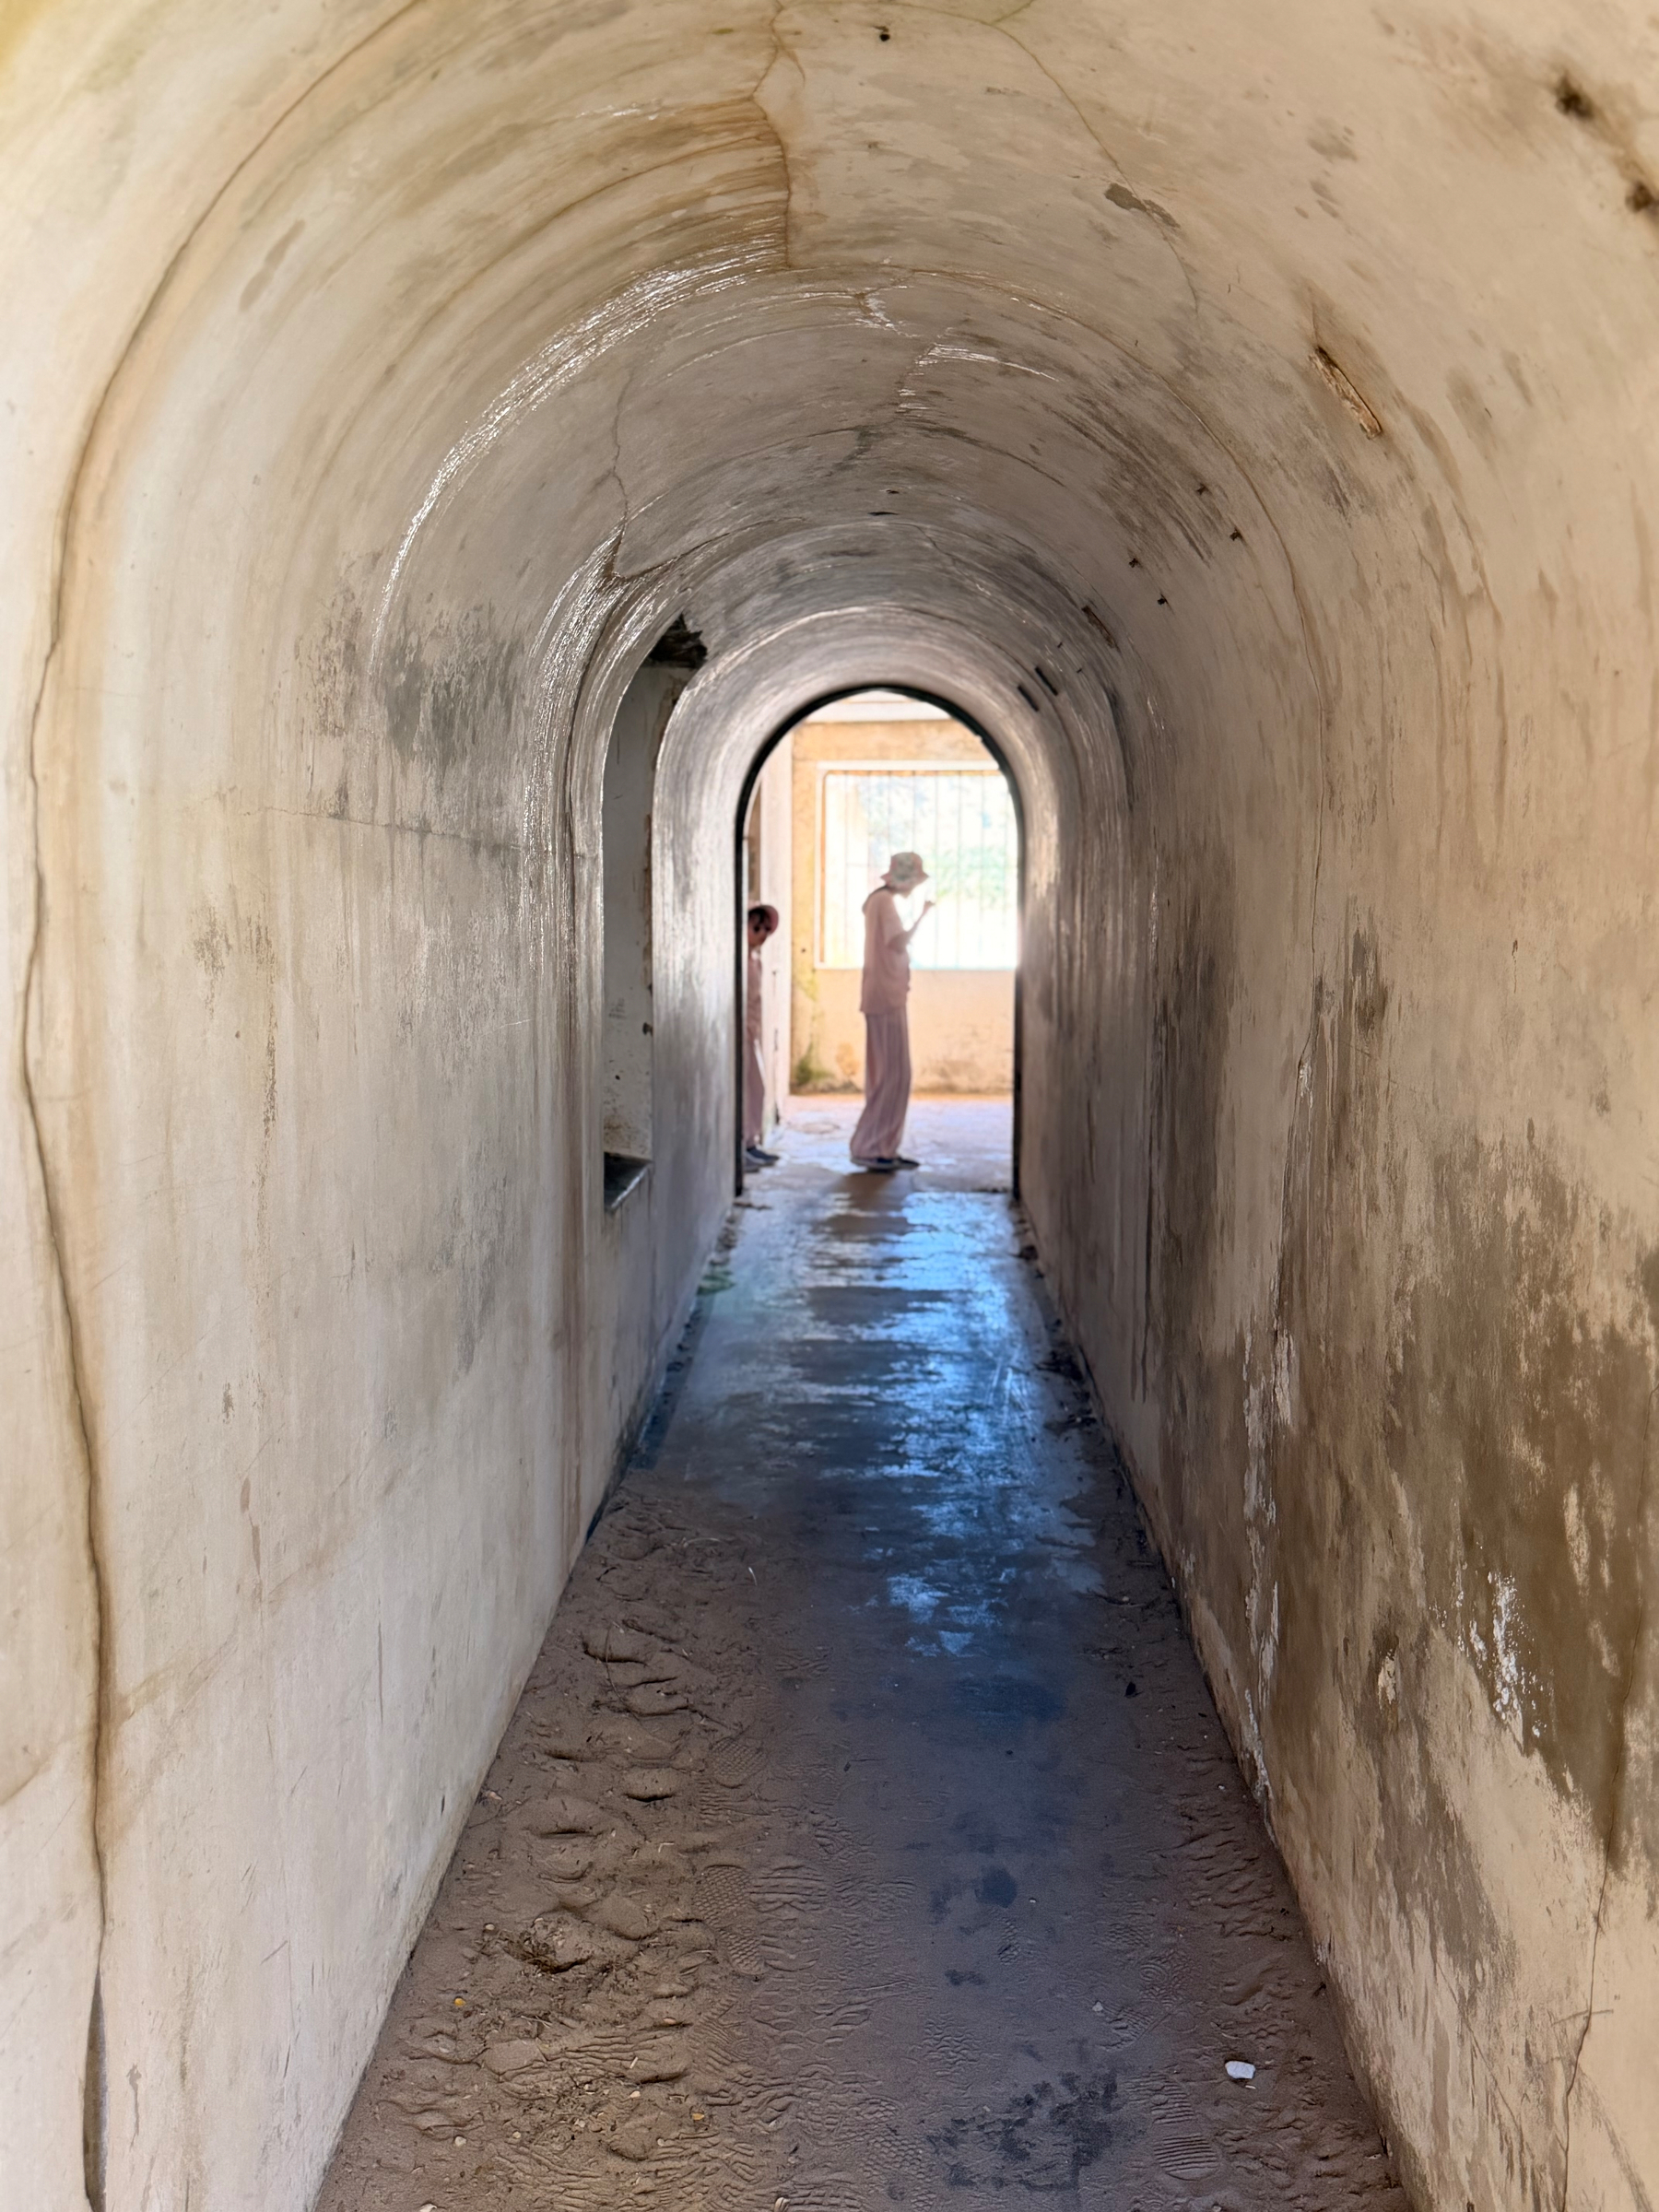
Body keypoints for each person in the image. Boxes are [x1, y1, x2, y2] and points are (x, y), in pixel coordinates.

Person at [850, 851, 934, 1171]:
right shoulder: (883, 902)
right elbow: (898, 943)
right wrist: (924, 916)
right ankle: (874, 1147)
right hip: (886, 996)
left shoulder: (877, 902)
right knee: (894, 1076)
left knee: (886, 1074)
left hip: (884, 994)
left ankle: (880, 1146)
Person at [744, 902, 782, 1168]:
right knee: (745, 1091)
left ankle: (751, 1143)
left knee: (757, 1088)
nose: (761, 934)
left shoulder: (755, 962)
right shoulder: (738, 961)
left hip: (750, 1035)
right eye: (756, 927)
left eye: (766, 930)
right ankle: (744, 1146)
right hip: (740, 1037)